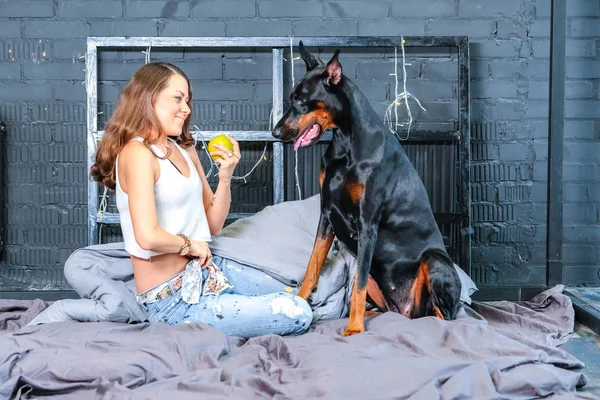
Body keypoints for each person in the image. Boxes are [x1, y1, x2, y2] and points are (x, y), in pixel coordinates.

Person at [90, 62, 312, 338]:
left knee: (300, 290)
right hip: (172, 301)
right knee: (298, 313)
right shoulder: (137, 153)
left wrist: (226, 175)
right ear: (149, 97)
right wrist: (190, 245)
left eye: (187, 100)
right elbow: (146, 236)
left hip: (209, 274)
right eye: (177, 98)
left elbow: (213, 225)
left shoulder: (182, 149)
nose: (186, 108)